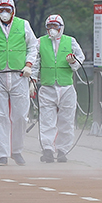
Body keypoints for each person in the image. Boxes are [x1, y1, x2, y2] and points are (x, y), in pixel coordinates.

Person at [0, 0, 37, 166]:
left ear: (13, 10)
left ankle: (16, 151)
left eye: (7, 9)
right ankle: (2, 154)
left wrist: (28, 64)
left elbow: (33, 46)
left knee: (20, 116)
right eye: (1, 9)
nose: (4, 13)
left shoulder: (23, 25)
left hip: (19, 75)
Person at [31, 15, 85, 163]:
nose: (53, 30)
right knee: (47, 120)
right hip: (47, 86)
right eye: (50, 27)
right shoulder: (40, 42)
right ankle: (47, 149)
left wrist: (73, 61)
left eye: (56, 26)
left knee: (66, 121)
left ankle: (62, 150)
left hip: (66, 87)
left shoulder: (70, 41)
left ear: (62, 27)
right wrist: (32, 81)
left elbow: (80, 58)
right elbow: (35, 63)